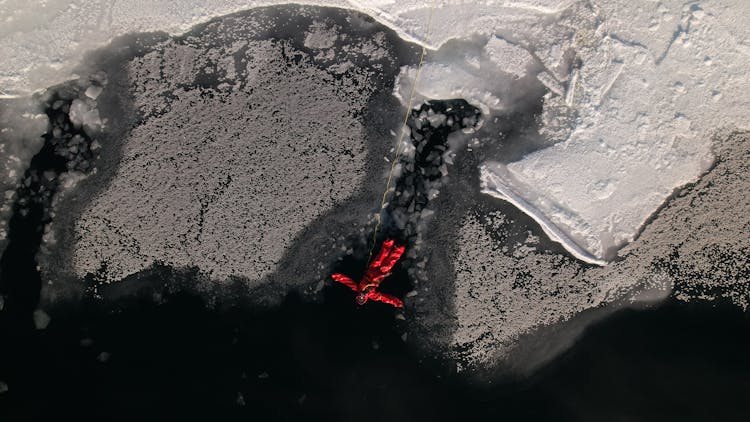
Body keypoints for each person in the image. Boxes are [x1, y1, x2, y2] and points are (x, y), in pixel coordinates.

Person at [331, 239, 405, 308]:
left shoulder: (358, 288)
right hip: (381, 274)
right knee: (390, 261)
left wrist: (336, 276)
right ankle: (399, 248)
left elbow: (347, 281)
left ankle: (389, 242)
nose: (361, 297)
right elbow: (385, 298)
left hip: (372, 269)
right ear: (365, 299)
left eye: (359, 297)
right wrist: (397, 303)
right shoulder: (373, 296)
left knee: (381, 256)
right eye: (362, 299)